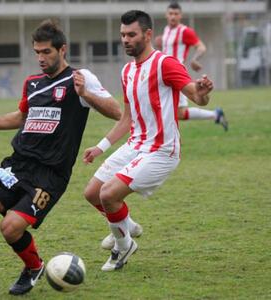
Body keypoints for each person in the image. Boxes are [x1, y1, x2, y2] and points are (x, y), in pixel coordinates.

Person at [0, 20, 121, 299]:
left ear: (62, 49)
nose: (41, 58)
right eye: (37, 52)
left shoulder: (80, 78)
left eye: (46, 52)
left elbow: (117, 111)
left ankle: (34, 267)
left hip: (49, 174)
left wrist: (86, 94)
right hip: (17, 164)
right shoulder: (32, 83)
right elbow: (22, 117)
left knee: (10, 228)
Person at [83, 10, 214, 271]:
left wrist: (203, 94)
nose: (126, 40)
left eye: (131, 34)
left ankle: (124, 246)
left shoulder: (165, 64)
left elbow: (196, 97)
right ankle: (125, 225)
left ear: (148, 34)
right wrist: (100, 147)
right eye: (122, 35)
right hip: (135, 145)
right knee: (92, 193)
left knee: (108, 195)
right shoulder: (127, 71)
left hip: (162, 150)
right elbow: (127, 118)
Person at [156, 1, 228, 130]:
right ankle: (216, 114)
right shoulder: (166, 30)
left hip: (176, 73)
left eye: (176, 14)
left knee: (172, 111)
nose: (173, 16)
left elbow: (201, 47)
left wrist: (195, 59)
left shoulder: (185, 31)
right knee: (177, 112)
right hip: (164, 74)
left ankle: (166, 142)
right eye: (170, 13)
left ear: (180, 16)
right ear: (166, 15)